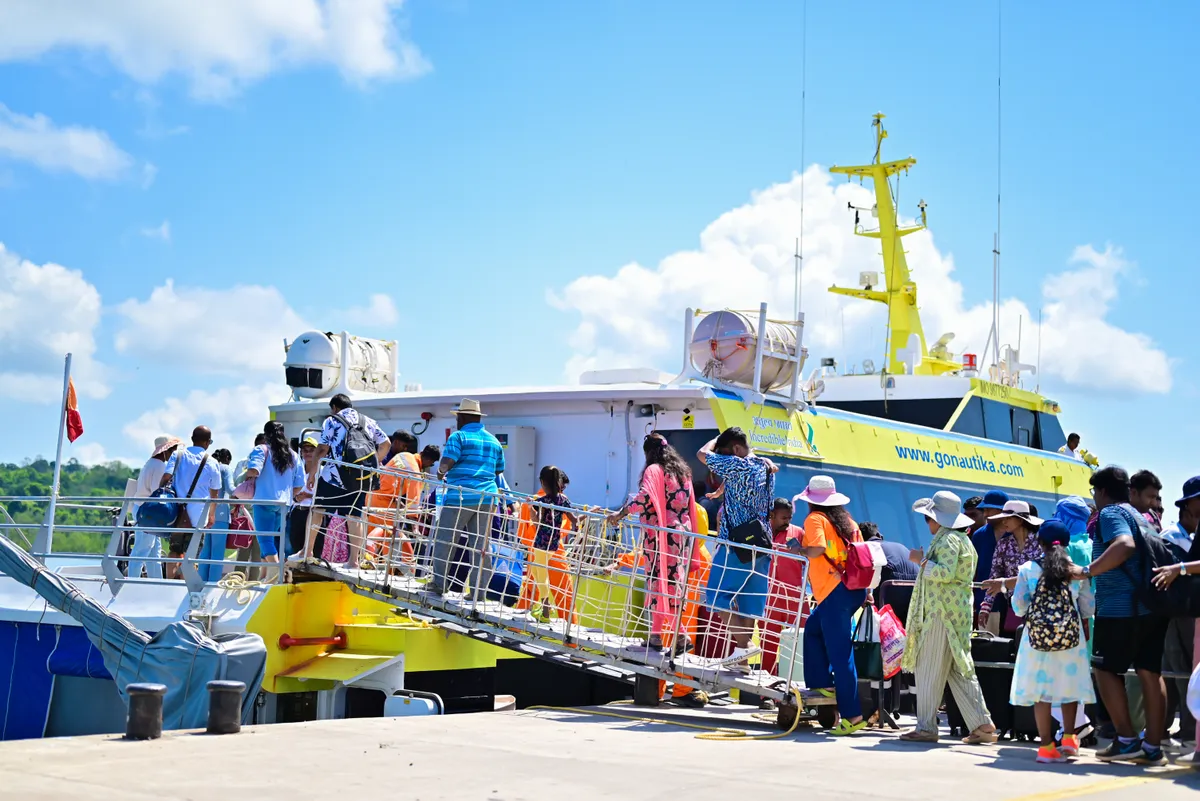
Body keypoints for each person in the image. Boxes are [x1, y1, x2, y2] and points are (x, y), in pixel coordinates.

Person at [1072, 465, 1168, 764]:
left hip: (1120, 609)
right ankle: (1152, 747)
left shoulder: (1111, 513)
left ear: (1100, 491)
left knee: (1104, 669)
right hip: (1152, 606)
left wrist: (1087, 570)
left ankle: (1126, 740)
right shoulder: (1142, 516)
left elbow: (1123, 545)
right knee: (1150, 672)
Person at [900, 491, 998, 745]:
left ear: (939, 520)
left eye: (929, 518)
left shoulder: (948, 541)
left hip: (940, 614)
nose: (927, 523)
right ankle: (982, 724)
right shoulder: (962, 539)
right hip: (956, 614)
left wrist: (920, 560)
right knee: (959, 670)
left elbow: (944, 573)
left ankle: (926, 727)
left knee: (929, 668)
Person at [1005, 520, 1097, 763]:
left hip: (1037, 640)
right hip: (1070, 638)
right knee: (1069, 689)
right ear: (1066, 544)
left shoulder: (1028, 569)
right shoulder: (1077, 571)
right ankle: (1068, 740)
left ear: (1040, 543)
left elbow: (1019, 606)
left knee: (1041, 693)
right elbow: (1088, 606)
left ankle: (1046, 747)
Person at [791, 476, 869, 736]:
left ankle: (853, 716)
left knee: (841, 655)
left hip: (833, 593)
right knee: (813, 629)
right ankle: (822, 683)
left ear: (812, 501)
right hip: (853, 589)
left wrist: (799, 550)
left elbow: (817, 548)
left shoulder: (815, 520)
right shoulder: (849, 522)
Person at [607, 434, 698, 651]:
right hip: (681, 536)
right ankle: (656, 636)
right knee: (671, 584)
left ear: (648, 452)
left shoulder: (654, 470)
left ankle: (680, 637)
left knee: (660, 583)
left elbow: (645, 498)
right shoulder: (683, 473)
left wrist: (621, 513)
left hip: (660, 536)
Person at [697, 427, 776, 666]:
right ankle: (743, 664)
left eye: (725, 453)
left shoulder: (737, 464)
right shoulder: (765, 467)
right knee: (749, 602)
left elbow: (701, 453)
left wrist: (715, 441)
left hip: (736, 543)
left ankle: (744, 645)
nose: (720, 460)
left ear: (736, 449)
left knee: (716, 597)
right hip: (762, 542)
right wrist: (722, 489)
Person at [430, 399, 506, 599]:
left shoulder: (459, 436)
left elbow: (448, 461)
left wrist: (440, 472)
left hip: (461, 496)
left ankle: (439, 583)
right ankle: (478, 592)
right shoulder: (494, 441)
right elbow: (499, 469)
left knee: (445, 540)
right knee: (481, 546)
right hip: (488, 497)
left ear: (462, 417)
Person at [305, 394, 389, 567]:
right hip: (359, 479)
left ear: (335, 407)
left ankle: (307, 551)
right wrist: (372, 466)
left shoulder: (332, 420)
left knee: (317, 511)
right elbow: (386, 443)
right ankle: (353, 561)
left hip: (333, 477)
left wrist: (312, 473)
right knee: (354, 517)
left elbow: (322, 449)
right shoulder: (368, 421)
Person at [1151, 475, 1200, 744]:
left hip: (1189, 612)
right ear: (1187, 508)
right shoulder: (1171, 538)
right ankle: (1187, 729)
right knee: (1179, 670)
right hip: (1178, 613)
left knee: (1180, 671)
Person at [159, 426, 221, 579]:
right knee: (191, 554)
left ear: (192, 439)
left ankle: (170, 582)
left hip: (176, 513)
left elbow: (166, 478)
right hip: (199, 516)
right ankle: (185, 584)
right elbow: (215, 493)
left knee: (174, 550)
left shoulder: (177, 455)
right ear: (207, 442)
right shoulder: (212, 462)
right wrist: (212, 515)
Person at [244, 421, 306, 565]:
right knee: (271, 539)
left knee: (265, 541)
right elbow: (299, 485)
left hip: (264, 501)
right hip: (284, 504)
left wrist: (246, 476)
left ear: (266, 435)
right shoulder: (293, 455)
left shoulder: (262, 449)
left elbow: (254, 470)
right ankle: (266, 575)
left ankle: (277, 572)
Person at [979, 500, 1045, 633]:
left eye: (1008, 518)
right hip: (1011, 607)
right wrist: (986, 606)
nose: (1004, 522)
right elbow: (995, 575)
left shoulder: (1041, 544)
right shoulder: (1003, 545)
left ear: (1020, 520)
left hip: (1039, 606)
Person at [525, 466, 578, 620]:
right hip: (554, 543)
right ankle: (546, 606)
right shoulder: (563, 500)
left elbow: (535, 519)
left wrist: (529, 506)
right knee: (537, 571)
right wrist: (578, 526)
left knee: (540, 574)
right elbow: (572, 518)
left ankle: (546, 609)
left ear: (543, 483)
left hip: (541, 541)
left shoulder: (543, 500)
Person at [760, 498, 806, 676]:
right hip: (768, 597)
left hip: (795, 597)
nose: (787, 522)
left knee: (802, 642)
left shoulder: (798, 533)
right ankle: (766, 693)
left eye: (789, 517)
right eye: (783, 518)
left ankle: (799, 686)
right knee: (768, 646)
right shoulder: (761, 532)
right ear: (772, 515)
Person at [366, 430, 426, 567]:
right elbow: (414, 500)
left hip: (376, 499)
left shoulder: (401, 457)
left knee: (375, 535)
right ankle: (376, 566)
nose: (405, 449)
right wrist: (414, 527)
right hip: (383, 504)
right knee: (382, 536)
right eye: (404, 446)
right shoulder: (413, 470)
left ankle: (375, 564)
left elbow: (394, 484)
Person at [128, 436, 180, 579]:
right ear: (165, 451)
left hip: (142, 508)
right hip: (149, 513)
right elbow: (157, 492)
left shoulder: (150, 464)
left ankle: (156, 581)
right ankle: (132, 582)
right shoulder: (159, 467)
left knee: (153, 551)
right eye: (172, 450)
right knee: (142, 550)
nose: (173, 453)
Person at [196, 448, 235, 583]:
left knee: (206, 551)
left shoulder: (210, 467)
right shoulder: (226, 469)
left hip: (208, 513)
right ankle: (212, 584)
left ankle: (201, 581)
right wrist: (244, 490)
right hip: (222, 513)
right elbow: (230, 489)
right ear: (228, 459)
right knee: (217, 553)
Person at [971, 490, 1010, 610]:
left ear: (1001, 511)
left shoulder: (1014, 535)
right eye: (984, 510)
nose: (985, 515)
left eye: (988, 510)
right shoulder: (979, 536)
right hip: (983, 603)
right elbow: (973, 570)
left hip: (1011, 604)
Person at [288, 434, 319, 557]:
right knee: (295, 546)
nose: (308, 453)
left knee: (316, 549)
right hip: (297, 512)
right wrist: (296, 497)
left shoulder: (323, 471)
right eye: (305, 450)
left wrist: (308, 496)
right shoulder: (296, 470)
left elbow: (327, 495)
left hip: (314, 514)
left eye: (312, 450)